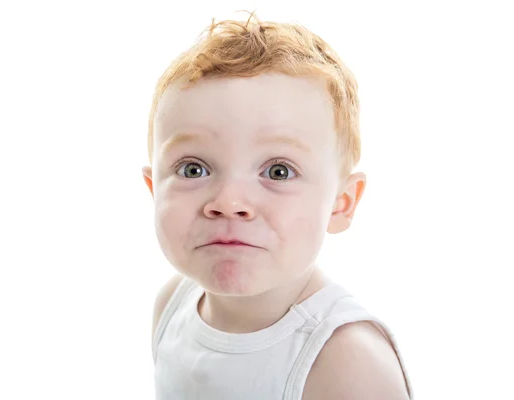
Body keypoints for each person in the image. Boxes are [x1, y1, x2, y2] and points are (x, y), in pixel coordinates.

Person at [141, 11, 413, 399]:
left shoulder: (346, 360)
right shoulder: (173, 306)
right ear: (155, 189)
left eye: (279, 171)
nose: (229, 203)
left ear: (341, 203)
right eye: (193, 168)